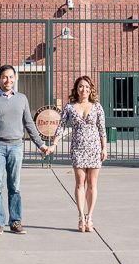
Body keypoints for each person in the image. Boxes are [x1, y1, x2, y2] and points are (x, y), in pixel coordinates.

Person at [0, 65, 49, 235]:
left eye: (11, 77)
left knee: (15, 186)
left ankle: (16, 222)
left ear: (15, 78)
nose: (8, 80)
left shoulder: (21, 99)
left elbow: (29, 123)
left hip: (16, 147)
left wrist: (40, 144)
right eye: (4, 77)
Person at [45, 75, 107, 232]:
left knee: (92, 183)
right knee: (80, 182)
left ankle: (90, 217)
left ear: (91, 89)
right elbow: (61, 127)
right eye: (81, 86)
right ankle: (81, 216)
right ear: (76, 89)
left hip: (94, 148)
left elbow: (102, 129)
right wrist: (54, 144)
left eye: (87, 87)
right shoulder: (69, 107)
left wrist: (104, 148)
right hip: (78, 148)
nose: (84, 89)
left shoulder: (97, 106)